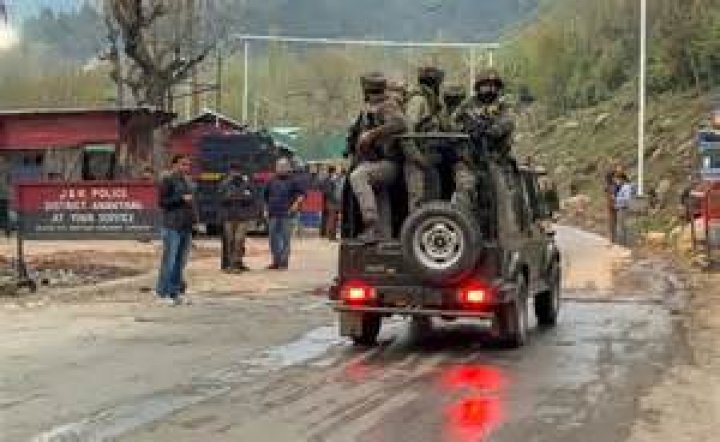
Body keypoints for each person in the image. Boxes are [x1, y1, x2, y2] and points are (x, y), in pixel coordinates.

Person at [347, 72, 407, 242]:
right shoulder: (370, 107)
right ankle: (383, 236)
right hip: (376, 161)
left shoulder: (388, 104)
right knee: (380, 197)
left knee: (358, 176)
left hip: (389, 163)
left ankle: (371, 224)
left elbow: (400, 123)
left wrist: (372, 134)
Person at [452, 69, 515, 211]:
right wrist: (466, 129)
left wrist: (491, 131)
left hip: (498, 160)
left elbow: (508, 122)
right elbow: (452, 124)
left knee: (504, 196)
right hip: (470, 161)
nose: (490, 89)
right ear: (479, 87)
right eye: (486, 85)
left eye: (493, 86)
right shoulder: (467, 105)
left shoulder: (503, 104)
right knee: (465, 189)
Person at [404, 66, 446, 210]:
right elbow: (408, 132)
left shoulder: (430, 101)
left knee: (432, 199)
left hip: (428, 158)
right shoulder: (418, 100)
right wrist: (417, 158)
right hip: (416, 160)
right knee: (417, 202)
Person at [156, 155, 195, 305]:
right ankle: (162, 293)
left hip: (186, 225)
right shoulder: (167, 179)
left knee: (180, 262)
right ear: (174, 165)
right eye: (183, 164)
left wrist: (195, 221)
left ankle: (175, 292)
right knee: (169, 261)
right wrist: (181, 199)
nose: (186, 167)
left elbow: (191, 203)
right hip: (172, 225)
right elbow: (162, 202)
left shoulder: (187, 180)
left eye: (188, 165)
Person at [265, 157, 305, 270]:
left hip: (287, 214)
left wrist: (296, 204)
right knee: (273, 239)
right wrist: (265, 209)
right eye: (279, 166)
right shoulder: (271, 180)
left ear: (288, 168)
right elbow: (265, 196)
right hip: (273, 214)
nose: (281, 168)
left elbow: (302, 194)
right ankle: (276, 261)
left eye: (283, 166)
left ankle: (283, 262)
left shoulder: (293, 181)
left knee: (285, 239)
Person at [218, 162, 258, 272]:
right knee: (230, 240)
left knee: (239, 240)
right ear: (230, 171)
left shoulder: (246, 183)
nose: (236, 173)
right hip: (228, 216)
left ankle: (236, 263)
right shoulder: (225, 183)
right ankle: (230, 264)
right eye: (234, 171)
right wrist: (239, 197)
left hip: (242, 217)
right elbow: (221, 198)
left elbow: (252, 197)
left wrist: (236, 197)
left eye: (237, 171)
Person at [605, 162, 625, 242]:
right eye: (619, 168)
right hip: (611, 201)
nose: (620, 170)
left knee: (618, 219)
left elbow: (627, 186)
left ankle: (617, 237)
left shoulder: (623, 177)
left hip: (619, 200)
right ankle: (612, 237)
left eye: (621, 169)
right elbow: (608, 187)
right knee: (612, 219)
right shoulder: (610, 176)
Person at [322, 165, 342, 241]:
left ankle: (332, 235)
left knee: (334, 218)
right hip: (331, 202)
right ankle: (331, 236)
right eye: (337, 170)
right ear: (333, 172)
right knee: (332, 219)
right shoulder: (329, 180)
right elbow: (328, 192)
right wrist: (335, 199)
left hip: (333, 202)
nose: (338, 172)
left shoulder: (333, 180)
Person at [614, 173, 634, 246]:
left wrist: (618, 200)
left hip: (624, 208)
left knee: (622, 226)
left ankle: (623, 243)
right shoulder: (623, 187)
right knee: (622, 226)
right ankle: (623, 243)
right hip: (621, 208)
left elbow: (627, 198)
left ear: (622, 179)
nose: (616, 181)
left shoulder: (626, 187)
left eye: (617, 179)